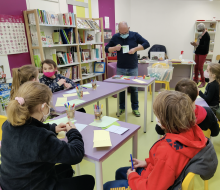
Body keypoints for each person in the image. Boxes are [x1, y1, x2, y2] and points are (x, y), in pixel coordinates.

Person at [104, 91, 208, 190]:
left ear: (164, 122)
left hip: (150, 183)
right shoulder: (189, 132)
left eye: (158, 115)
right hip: (156, 173)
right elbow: (163, 165)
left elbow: (151, 187)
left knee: (106, 186)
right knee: (120, 172)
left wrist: (132, 177)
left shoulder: (167, 153)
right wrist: (147, 162)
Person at [0, 82, 95, 190]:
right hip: (32, 186)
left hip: (11, 184)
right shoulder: (41, 138)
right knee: (88, 180)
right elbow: (76, 154)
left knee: (67, 168)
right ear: (43, 107)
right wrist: (73, 132)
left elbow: (31, 128)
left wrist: (52, 128)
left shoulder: (8, 125)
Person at [105, 21, 150, 117]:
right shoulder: (115, 37)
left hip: (132, 67)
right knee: (121, 89)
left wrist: (135, 49)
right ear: (118, 31)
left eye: (125, 32)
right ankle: (121, 107)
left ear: (128, 28)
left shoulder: (135, 35)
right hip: (120, 67)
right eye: (122, 33)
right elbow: (106, 48)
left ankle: (135, 108)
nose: (124, 34)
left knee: (134, 89)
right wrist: (114, 48)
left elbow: (147, 44)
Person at [191, 23, 210, 88]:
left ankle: (203, 81)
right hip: (198, 52)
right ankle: (196, 79)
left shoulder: (207, 35)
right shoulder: (200, 34)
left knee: (200, 67)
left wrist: (197, 45)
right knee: (195, 66)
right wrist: (195, 44)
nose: (198, 31)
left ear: (202, 29)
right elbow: (198, 43)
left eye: (199, 30)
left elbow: (205, 46)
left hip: (203, 52)